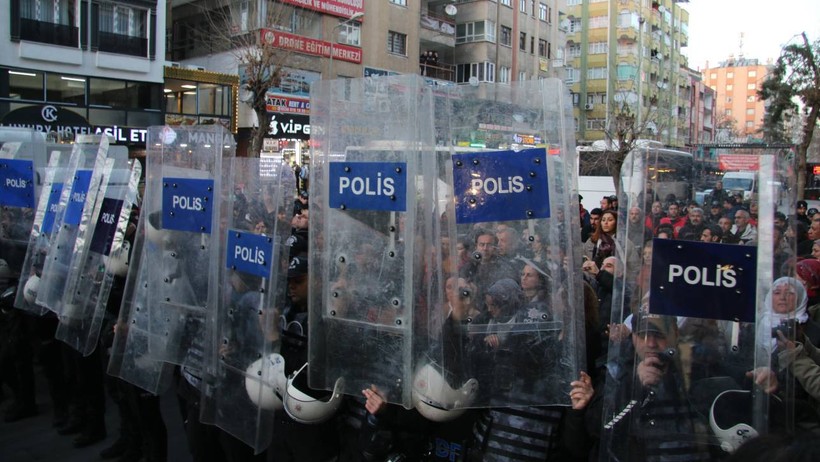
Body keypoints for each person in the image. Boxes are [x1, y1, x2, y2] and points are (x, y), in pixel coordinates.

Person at [575, 312, 711, 461]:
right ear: (633, 337)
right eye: (643, 335)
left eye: (659, 335)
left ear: (675, 334)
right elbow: (600, 428)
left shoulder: (692, 372)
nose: (651, 343)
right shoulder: (615, 372)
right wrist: (634, 386)